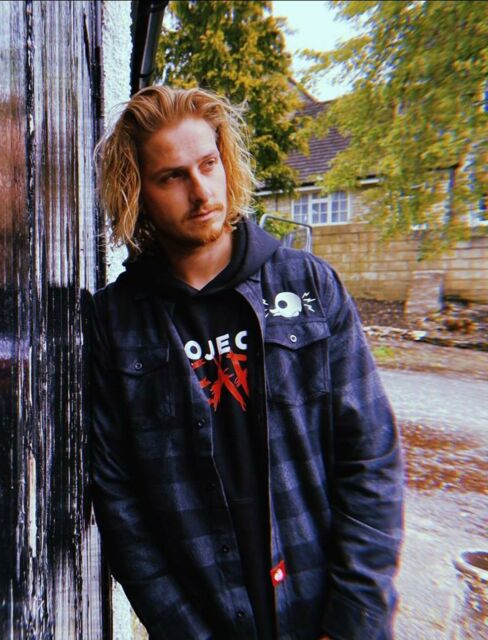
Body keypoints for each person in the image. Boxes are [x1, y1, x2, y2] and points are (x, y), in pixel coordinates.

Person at [89, 85, 403, 640]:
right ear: (138, 191)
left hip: (325, 610)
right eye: (172, 177)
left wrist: (353, 618)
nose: (200, 191)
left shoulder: (309, 286)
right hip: (206, 620)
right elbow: (120, 503)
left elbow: (371, 457)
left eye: (208, 164)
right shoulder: (116, 322)